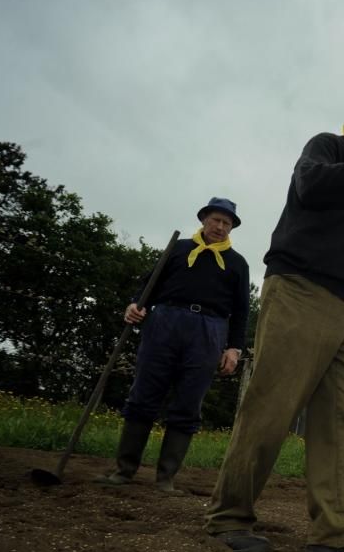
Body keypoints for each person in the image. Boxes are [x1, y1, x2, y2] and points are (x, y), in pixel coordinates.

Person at [204, 80, 344, 552]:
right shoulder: (330, 147)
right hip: (301, 290)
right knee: (272, 405)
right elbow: (311, 186)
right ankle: (229, 517)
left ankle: (338, 534)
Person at [95, 197, 249, 495]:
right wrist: (135, 305)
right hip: (164, 321)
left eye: (226, 223)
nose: (220, 227)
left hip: (209, 330)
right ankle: (124, 470)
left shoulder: (237, 264)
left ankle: (165, 479)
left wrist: (234, 348)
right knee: (144, 394)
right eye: (216, 220)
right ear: (204, 219)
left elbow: (241, 312)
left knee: (189, 402)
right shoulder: (177, 250)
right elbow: (147, 285)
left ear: (232, 227)